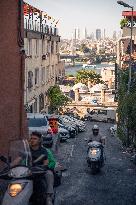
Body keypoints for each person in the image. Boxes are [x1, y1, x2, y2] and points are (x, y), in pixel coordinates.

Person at [29, 131, 54, 205]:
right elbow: (18, 158)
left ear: (39, 140)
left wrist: (43, 167)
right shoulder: (27, 149)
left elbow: (46, 163)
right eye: (31, 138)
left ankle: (48, 196)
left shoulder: (43, 150)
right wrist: (10, 165)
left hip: (39, 170)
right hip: (28, 170)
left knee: (49, 174)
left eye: (35, 138)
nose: (32, 140)